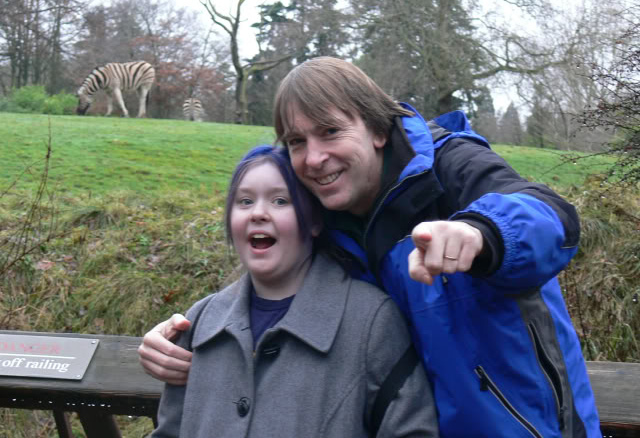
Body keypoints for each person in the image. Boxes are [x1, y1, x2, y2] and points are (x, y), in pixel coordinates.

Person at [140, 57, 601, 437]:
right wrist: (187, 331)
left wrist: (483, 233)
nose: (314, 157)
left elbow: (553, 218)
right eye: (297, 141)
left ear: (378, 130)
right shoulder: (324, 216)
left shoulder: (449, 166)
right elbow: (273, 281)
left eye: (330, 132)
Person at [150, 145, 439, 437]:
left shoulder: (371, 321)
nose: (258, 213)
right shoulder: (199, 321)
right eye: (245, 201)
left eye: (280, 201)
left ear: (314, 221)